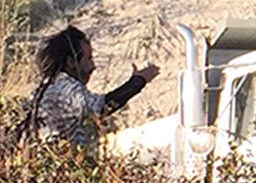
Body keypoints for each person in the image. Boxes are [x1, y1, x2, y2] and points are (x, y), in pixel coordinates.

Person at [22, 26, 160, 149]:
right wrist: (138, 82)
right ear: (71, 62)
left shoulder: (47, 87)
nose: (93, 66)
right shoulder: (65, 87)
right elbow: (102, 108)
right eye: (88, 58)